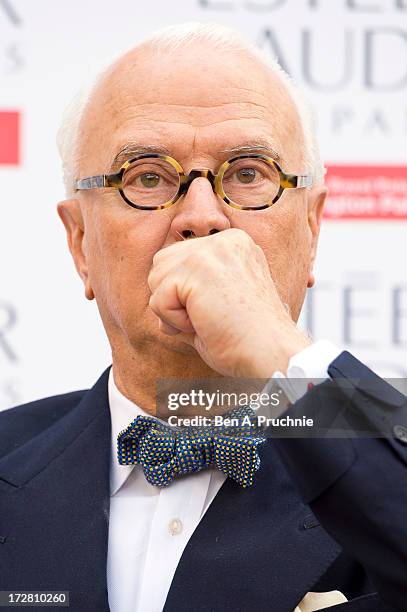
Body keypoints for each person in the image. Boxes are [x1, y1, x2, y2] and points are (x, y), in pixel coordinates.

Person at [0, 22, 406, 612]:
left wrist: (278, 352)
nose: (201, 217)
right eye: (146, 177)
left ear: (312, 232)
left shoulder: (381, 449)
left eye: (247, 174)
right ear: (80, 241)